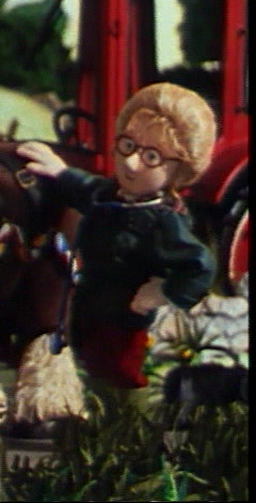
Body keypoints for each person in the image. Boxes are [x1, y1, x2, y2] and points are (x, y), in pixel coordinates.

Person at [16, 82, 216, 395]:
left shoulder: (163, 222)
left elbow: (200, 266)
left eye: (151, 156)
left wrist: (162, 293)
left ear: (179, 170)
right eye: (128, 146)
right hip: (87, 313)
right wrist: (60, 172)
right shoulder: (110, 194)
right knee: (88, 375)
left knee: (118, 384)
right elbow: (87, 189)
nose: (132, 163)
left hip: (123, 327)